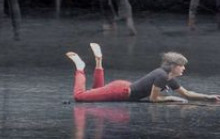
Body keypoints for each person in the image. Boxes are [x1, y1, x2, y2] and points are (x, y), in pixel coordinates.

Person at [66, 42, 220, 103]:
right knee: (79, 96)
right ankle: (80, 68)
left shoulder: (169, 78)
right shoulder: (161, 76)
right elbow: (154, 99)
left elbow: (186, 94)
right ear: (173, 66)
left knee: (95, 91)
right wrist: (171, 98)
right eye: (181, 66)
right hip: (120, 91)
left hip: (123, 88)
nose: (184, 68)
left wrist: (208, 97)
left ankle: (99, 61)